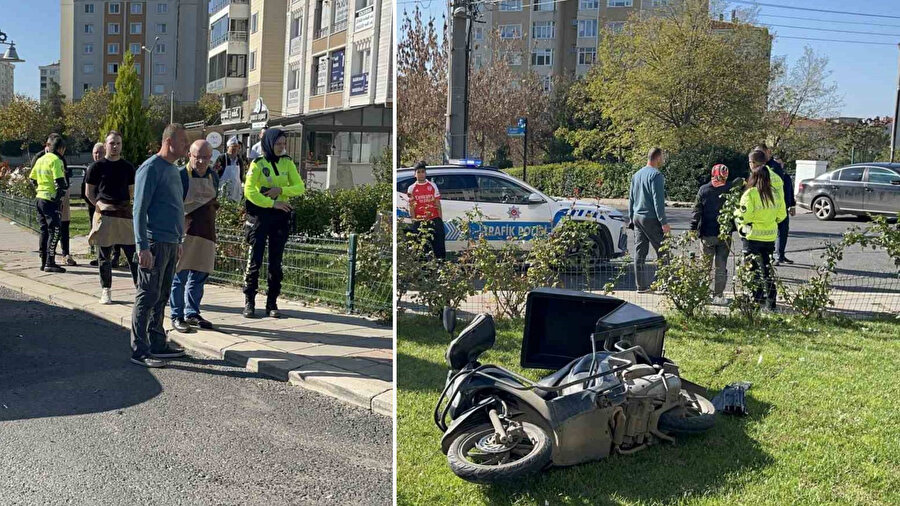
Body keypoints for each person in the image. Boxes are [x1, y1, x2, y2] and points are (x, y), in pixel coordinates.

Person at [130, 123, 190, 368]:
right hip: (153, 243)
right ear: (169, 142)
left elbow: (174, 206)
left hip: (170, 242)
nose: (187, 146)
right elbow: (139, 209)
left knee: (162, 295)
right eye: (184, 141)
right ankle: (139, 350)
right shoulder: (150, 168)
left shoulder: (173, 169)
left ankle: (157, 342)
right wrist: (142, 246)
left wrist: (178, 241)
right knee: (147, 295)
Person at [242, 128, 305, 318]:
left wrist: (281, 190)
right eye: (278, 144)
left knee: (276, 263)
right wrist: (271, 203)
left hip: (280, 217)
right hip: (260, 216)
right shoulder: (258, 164)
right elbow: (249, 191)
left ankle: (272, 303)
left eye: (284, 144)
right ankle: (249, 301)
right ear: (269, 144)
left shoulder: (287, 163)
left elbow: (300, 187)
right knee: (255, 260)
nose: (281, 147)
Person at [169, 140, 219, 333]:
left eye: (205, 157)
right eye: (197, 157)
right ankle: (177, 315)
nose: (201, 161)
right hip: (184, 232)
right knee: (179, 275)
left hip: (206, 232)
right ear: (189, 155)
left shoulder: (213, 176)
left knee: (199, 275)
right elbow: (172, 205)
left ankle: (192, 313)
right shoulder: (180, 175)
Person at [85, 131, 139, 304]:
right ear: (105, 145)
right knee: (104, 257)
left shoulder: (128, 167)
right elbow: (89, 192)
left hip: (124, 215)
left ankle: (140, 290)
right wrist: (99, 206)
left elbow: (131, 191)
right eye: (112, 143)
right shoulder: (96, 167)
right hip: (105, 216)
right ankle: (106, 290)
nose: (115, 146)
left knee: (133, 256)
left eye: (118, 143)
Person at [734, 150, 787, 311]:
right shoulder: (775, 191)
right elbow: (782, 215)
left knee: (752, 271)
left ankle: (755, 300)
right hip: (769, 237)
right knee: (767, 270)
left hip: (752, 237)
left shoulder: (750, 194)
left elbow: (743, 216)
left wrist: (737, 215)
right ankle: (771, 302)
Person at [690, 164, 734, 305]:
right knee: (721, 266)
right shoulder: (730, 189)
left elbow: (697, 211)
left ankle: (701, 294)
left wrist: (693, 228)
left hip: (707, 234)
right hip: (724, 235)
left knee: (705, 266)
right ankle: (718, 296)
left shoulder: (704, 190)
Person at [629, 147, 671, 293]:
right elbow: (658, 201)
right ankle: (663, 284)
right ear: (657, 158)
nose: (662, 160)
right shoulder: (656, 175)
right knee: (663, 251)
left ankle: (641, 286)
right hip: (651, 218)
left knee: (640, 252)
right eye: (662, 157)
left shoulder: (636, 175)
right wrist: (663, 222)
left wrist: (631, 217)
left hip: (637, 217)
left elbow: (631, 198)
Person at [28, 134, 69, 273]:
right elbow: (60, 183)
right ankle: (50, 262)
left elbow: (32, 178)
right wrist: (57, 199)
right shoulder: (56, 160)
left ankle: (43, 261)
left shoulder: (41, 159)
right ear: (61, 149)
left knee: (44, 230)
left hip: (39, 198)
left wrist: (40, 189)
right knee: (55, 230)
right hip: (50, 200)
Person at [754, 144, 796, 265]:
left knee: (782, 231)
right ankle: (772, 256)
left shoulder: (774, 167)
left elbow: (784, 188)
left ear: (768, 152)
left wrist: (791, 204)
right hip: (765, 206)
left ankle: (779, 255)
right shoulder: (758, 167)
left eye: (761, 153)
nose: (759, 156)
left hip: (778, 205)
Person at [406, 161, 446, 260]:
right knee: (422, 249)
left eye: (423, 172)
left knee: (439, 247)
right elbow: (411, 206)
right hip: (420, 221)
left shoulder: (432, 185)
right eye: (418, 172)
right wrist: (414, 221)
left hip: (434, 219)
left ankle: (440, 265)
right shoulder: (411, 188)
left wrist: (440, 220)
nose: (421, 174)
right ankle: (424, 267)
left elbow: (437, 203)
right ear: (415, 174)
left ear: (426, 173)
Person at [84, 142, 105, 266]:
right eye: (96, 153)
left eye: (100, 152)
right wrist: (94, 204)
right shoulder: (90, 168)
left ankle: (115, 256)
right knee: (96, 231)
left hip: (107, 206)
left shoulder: (108, 167)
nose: (98, 155)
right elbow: (85, 189)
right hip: (93, 206)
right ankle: (97, 255)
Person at [214, 136, 246, 202]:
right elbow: (215, 172)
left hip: (236, 190)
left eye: (236, 147)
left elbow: (241, 174)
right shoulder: (222, 158)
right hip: (223, 189)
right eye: (232, 147)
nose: (235, 149)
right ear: (227, 147)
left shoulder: (239, 160)